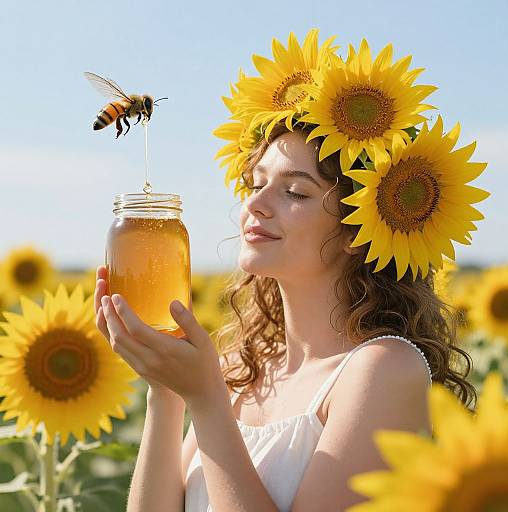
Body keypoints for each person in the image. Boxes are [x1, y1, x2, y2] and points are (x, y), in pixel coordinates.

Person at [94, 31, 486, 511]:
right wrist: (166, 392)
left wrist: (206, 402)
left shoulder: (381, 371)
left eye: (295, 192)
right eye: (255, 184)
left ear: (360, 229)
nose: (254, 205)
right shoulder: (242, 370)